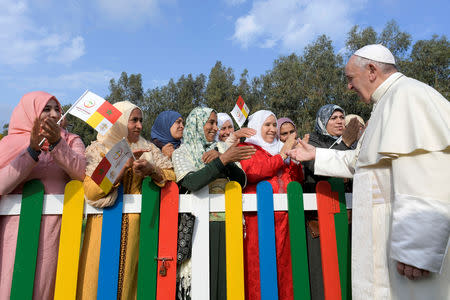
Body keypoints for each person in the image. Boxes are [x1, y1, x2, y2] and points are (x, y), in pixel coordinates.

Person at [288, 44, 450, 299]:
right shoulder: (387, 102)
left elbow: (430, 173)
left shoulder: (409, 96)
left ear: (372, 70)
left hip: (408, 251)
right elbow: (361, 162)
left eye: (351, 78)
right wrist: (315, 154)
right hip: (386, 244)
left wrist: (419, 248)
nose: (349, 87)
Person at [77, 101, 175, 300]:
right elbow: (92, 191)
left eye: (141, 121)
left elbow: (172, 176)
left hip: (140, 232)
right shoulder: (100, 149)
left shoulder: (148, 150)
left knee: (133, 284)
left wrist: (152, 170)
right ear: (120, 122)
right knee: (98, 283)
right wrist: (121, 166)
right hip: (103, 228)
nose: (139, 125)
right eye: (134, 120)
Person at [0, 91, 86, 299]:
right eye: (46, 109)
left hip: (56, 229)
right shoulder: (9, 144)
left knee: (46, 286)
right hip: (15, 227)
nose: (55, 114)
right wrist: (31, 152)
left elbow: (83, 173)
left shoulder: (72, 140)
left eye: (58, 109)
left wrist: (58, 145)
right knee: (12, 284)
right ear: (30, 113)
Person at [172, 107, 255, 300]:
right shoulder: (181, 153)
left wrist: (223, 159)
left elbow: (241, 181)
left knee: (226, 283)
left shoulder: (223, 147)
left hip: (227, 223)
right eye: (211, 122)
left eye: (216, 123)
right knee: (202, 285)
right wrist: (221, 162)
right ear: (196, 125)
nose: (215, 128)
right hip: (198, 227)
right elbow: (192, 182)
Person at [238, 110, 303, 300]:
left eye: (274, 125)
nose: (272, 129)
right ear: (257, 127)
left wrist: (294, 160)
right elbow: (254, 171)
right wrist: (281, 155)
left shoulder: (280, 149)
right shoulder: (248, 148)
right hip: (258, 219)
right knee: (260, 266)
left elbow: (297, 180)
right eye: (267, 125)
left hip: (285, 219)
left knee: (285, 268)